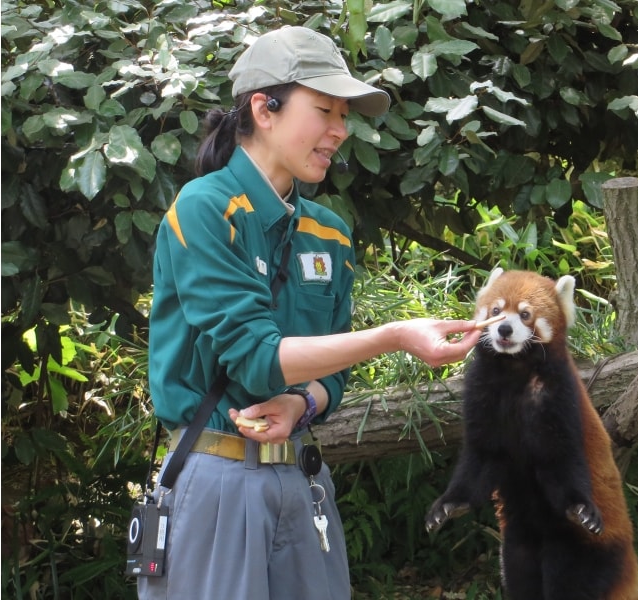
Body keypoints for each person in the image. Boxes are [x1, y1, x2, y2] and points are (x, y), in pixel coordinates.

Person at [141, 25, 481, 600]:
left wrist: (302, 401)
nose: (339, 131)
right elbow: (256, 359)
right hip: (217, 477)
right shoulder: (204, 209)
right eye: (324, 109)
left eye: (344, 115)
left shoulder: (329, 234)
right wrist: (397, 336)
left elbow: (332, 378)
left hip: (302, 477)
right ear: (263, 109)